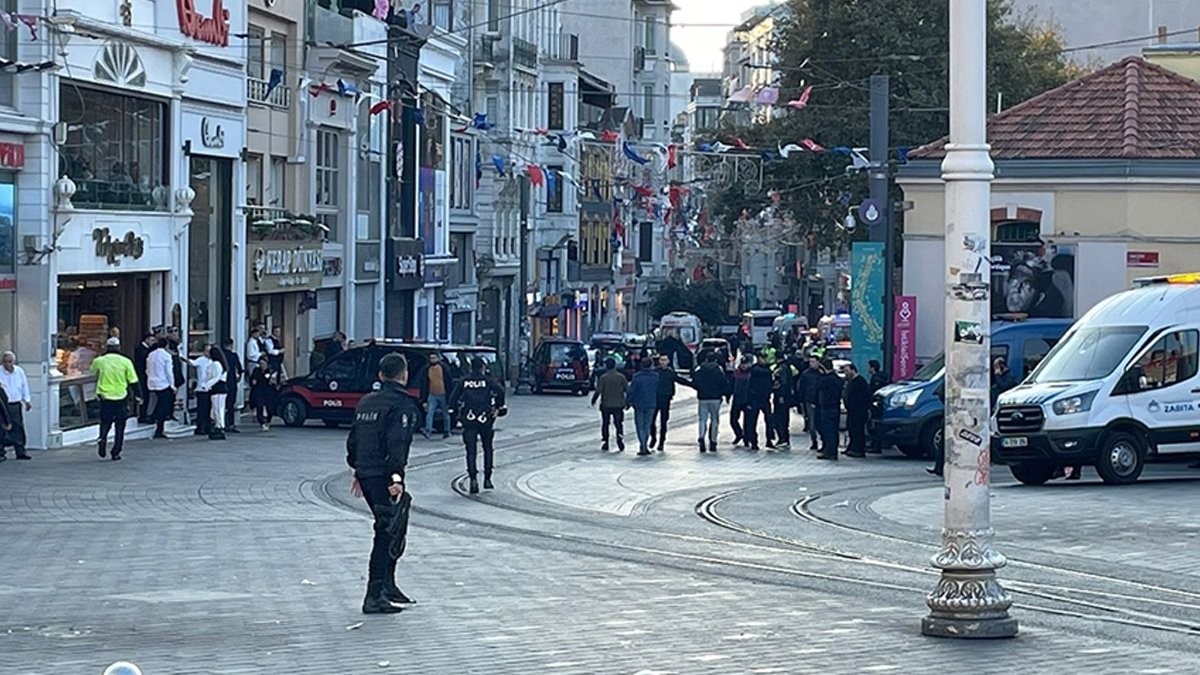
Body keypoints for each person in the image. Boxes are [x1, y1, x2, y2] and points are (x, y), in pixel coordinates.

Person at [346, 353, 420, 614]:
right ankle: (374, 593)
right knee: (387, 528)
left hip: (366, 473)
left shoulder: (367, 402)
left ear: (380, 375)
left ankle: (387, 585)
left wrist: (357, 469)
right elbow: (397, 443)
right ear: (404, 374)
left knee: (393, 523)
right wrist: (396, 478)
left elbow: (354, 439)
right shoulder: (401, 405)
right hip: (384, 476)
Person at [448, 358, 507, 494]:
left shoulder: (464, 381)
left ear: (471, 367)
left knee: (471, 450)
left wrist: (456, 410)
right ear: (482, 367)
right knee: (487, 448)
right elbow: (501, 391)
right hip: (485, 418)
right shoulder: (487, 380)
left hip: (469, 419)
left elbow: (453, 398)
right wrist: (498, 406)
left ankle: (473, 478)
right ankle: (487, 478)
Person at [91, 337, 140, 461]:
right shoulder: (126, 362)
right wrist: (139, 395)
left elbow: (92, 373)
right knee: (120, 426)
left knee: (105, 422)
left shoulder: (100, 361)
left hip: (105, 396)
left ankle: (102, 438)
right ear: (119, 347)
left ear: (107, 347)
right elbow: (133, 381)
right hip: (121, 397)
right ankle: (116, 451)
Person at [685, 352, 729, 453]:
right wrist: (725, 394)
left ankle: (701, 436)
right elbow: (723, 383)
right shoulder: (718, 370)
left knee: (702, 419)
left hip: (703, 397)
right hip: (715, 398)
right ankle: (713, 441)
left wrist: (700, 389)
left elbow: (694, 381)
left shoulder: (700, 369)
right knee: (714, 420)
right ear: (715, 360)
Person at [591, 358, 628, 452]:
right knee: (618, 423)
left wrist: (594, 399)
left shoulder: (603, 377)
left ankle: (605, 442)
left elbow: (599, 390)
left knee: (605, 423)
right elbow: (627, 390)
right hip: (618, 405)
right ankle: (619, 438)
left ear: (606, 366)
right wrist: (628, 402)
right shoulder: (621, 377)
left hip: (606, 404)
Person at [0, 351, 31, 460]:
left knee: (18, 427)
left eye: (9, 362)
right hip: (3, 404)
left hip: (15, 403)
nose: (7, 364)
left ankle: (20, 451)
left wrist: (27, 400)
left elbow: (24, 386)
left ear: (14, 362)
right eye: (5, 362)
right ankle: (1, 452)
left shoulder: (19, 371)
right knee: (3, 428)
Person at [626, 359, 659, 456]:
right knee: (647, 425)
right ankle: (645, 444)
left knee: (640, 425)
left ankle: (643, 444)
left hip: (639, 404)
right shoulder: (656, 377)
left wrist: (628, 402)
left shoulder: (637, 377)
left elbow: (632, 391)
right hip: (651, 403)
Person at [648, 354, 679, 452]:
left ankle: (661, 441)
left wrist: (693, 384)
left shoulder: (670, 372)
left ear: (668, 361)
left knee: (663, 422)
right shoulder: (655, 372)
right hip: (655, 399)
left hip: (666, 399)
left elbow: (679, 380)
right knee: (651, 421)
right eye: (661, 360)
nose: (663, 362)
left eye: (665, 360)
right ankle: (653, 437)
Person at [146, 339, 175, 439]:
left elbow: (147, 369)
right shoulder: (166, 356)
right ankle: (158, 424)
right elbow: (169, 372)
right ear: (166, 345)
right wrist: (172, 385)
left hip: (152, 382)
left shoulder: (151, 354)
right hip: (163, 383)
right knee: (164, 405)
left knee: (158, 402)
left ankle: (155, 418)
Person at [815, 358, 844, 460]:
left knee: (827, 431)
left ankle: (829, 452)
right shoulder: (837, 379)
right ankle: (833, 451)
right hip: (835, 407)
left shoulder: (825, 380)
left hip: (826, 408)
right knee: (834, 430)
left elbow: (819, 389)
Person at [842, 363, 871, 458]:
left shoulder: (860, 382)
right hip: (851, 411)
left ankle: (858, 450)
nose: (845, 373)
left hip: (858, 411)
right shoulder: (851, 381)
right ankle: (852, 447)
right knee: (851, 429)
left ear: (853, 370)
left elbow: (863, 398)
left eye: (847, 371)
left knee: (858, 430)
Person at [745, 354, 773, 451]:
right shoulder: (757, 370)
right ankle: (755, 441)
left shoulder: (757, 370)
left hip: (763, 398)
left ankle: (768, 439)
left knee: (768, 420)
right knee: (754, 421)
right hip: (755, 399)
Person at [420, 352, 451, 439]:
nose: (433, 360)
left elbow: (449, 382)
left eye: (434, 358)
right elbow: (424, 383)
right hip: (432, 394)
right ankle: (428, 430)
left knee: (445, 414)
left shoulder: (444, 368)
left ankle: (447, 431)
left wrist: (449, 396)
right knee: (429, 413)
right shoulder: (427, 369)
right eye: (431, 358)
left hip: (443, 394)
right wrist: (424, 398)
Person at [769, 357, 795, 451]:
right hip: (783, 396)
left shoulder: (782, 368)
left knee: (780, 418)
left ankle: (783, 439)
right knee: (782, 418)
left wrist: (781, 395)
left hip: (781, 396)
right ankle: (783, 439)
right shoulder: (786, 367)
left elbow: (783, 383)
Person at [205, 345, 230, 440]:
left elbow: (215, 378)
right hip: (221, 388)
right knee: (218, 408)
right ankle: (219, 426)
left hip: (217, 389)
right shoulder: (222, 364)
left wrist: (207, 385)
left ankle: (219, 426)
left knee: (217, 409)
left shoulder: (216, 364)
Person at [798, 355, 822, 451]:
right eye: (810, 362)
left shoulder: (821, 374)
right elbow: (801, 388)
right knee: (812, 422)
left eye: (813, 361)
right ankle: (814, 441)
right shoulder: (806, 374)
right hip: (809, 400)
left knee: (820, 422)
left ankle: (823, 440)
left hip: (820, 401)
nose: (811, 364)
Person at [729, 356, 753, 446]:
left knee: (747, 422)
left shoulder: (751, 374)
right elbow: (731, 385)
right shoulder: (736, 373)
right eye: (742, 364)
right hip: (737, 399)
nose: (744, 366)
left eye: (745, 364)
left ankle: (747, 438)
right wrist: (728, 394)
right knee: (733, 420)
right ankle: (739, 434)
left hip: (747, 400)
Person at [191, 343, 213, 437]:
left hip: (210, 388)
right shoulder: (201, 360)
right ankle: (201, 427)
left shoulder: (213, 361)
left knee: (208, 409)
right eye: (207, 351)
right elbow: (192, 363)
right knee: (201, 409)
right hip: (201, 388)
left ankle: (207, 426)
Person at [221, 338, 243, 433]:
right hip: (232, 381)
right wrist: (238, 378)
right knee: (231, 404)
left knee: (221, 404)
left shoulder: (221, 356)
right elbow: (240, 369)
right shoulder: (233, 355)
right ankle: (230, 423)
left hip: (222, 381)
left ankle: (221, 423)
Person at [133, 333, 156, 422]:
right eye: (151, 340)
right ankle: (142, 415)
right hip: (141, 376)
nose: (152, 342)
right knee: (143, 395)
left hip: (145, 376)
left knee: (146, 395)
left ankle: (144, 414)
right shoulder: (142, 350)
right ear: (146, 340)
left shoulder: (147, 350)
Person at [249, 358, 276, 431]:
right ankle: (262, 422)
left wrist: (272, 381)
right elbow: (252, 379)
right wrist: (253, 382)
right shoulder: (256, 371)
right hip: (259, 391)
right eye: (260, 364)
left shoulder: (271, 370)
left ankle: (268, 421)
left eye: (263, 364)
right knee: (259, 405)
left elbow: (275, 381)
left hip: (268, 391)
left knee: (270, 408)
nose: (262, 365)